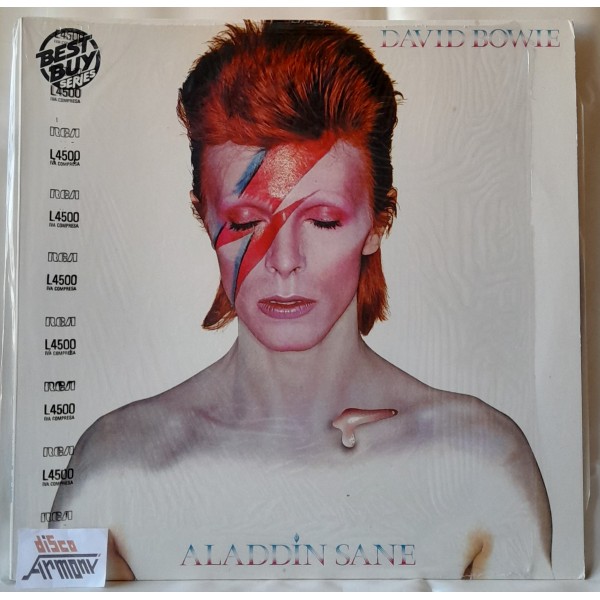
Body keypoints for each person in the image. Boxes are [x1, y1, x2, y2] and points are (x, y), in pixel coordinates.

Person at [51, 20, 552, 580]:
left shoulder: (485, 462)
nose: (284, 260)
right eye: (246, 222)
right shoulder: (111, 465)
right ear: (203, 217)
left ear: (377, 221)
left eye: (323, 220)